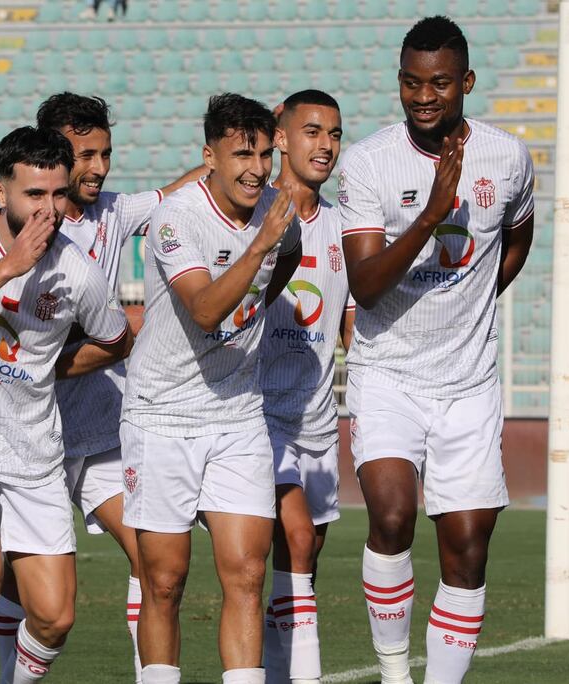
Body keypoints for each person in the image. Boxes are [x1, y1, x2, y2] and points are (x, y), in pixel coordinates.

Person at [336, 16, 535, 684]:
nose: (424, 96)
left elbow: (518, 236)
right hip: (387, 373)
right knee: (392, 516)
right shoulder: (369, 162)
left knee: (468, 549)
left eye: (440, 83)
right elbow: (365, 286)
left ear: (466, 82)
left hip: (468, 383)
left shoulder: (508, 157)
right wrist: (430, 214)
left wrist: (478, 294)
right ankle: (395, 674)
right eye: (411, 83)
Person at [0, 92, 202, 684]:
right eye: (86, 155)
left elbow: (183, 189)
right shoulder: (15, 229)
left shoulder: (113, 212)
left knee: (151, 558)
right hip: (22, 430)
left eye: (106, 153)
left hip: (96, 428)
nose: (100, 167)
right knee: (11, 584)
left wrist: (239, 152)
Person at [0, 126, 134, 684]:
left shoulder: (77, 269)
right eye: (34, 194)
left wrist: (53, 367)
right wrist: (9, 266)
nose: (48, 209)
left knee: (55, 618)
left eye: (58, 194)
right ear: (1, 191)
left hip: (35, 452)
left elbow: (115, 339)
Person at [121, 93, 302, 684]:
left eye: (265, 154)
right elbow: (203, 310)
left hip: (238, 412)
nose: (257, 169)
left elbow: (289, 255)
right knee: (165, 580)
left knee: (248, 573)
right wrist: (259, 246)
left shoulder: (275, 209)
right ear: (210, 157)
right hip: (162, 414)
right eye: (242, 155)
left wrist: (265, 264)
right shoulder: (177, 218)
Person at [257, 89, 354, 684]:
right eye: (312, 131)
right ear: (282, 138)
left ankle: (276, 670)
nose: (326, 145)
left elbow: (352, 325)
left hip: (317, 419)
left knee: (304, 557)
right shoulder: (256, 214)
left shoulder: (344, 227)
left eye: (335, 134)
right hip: (257, 415)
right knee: (294, 540)